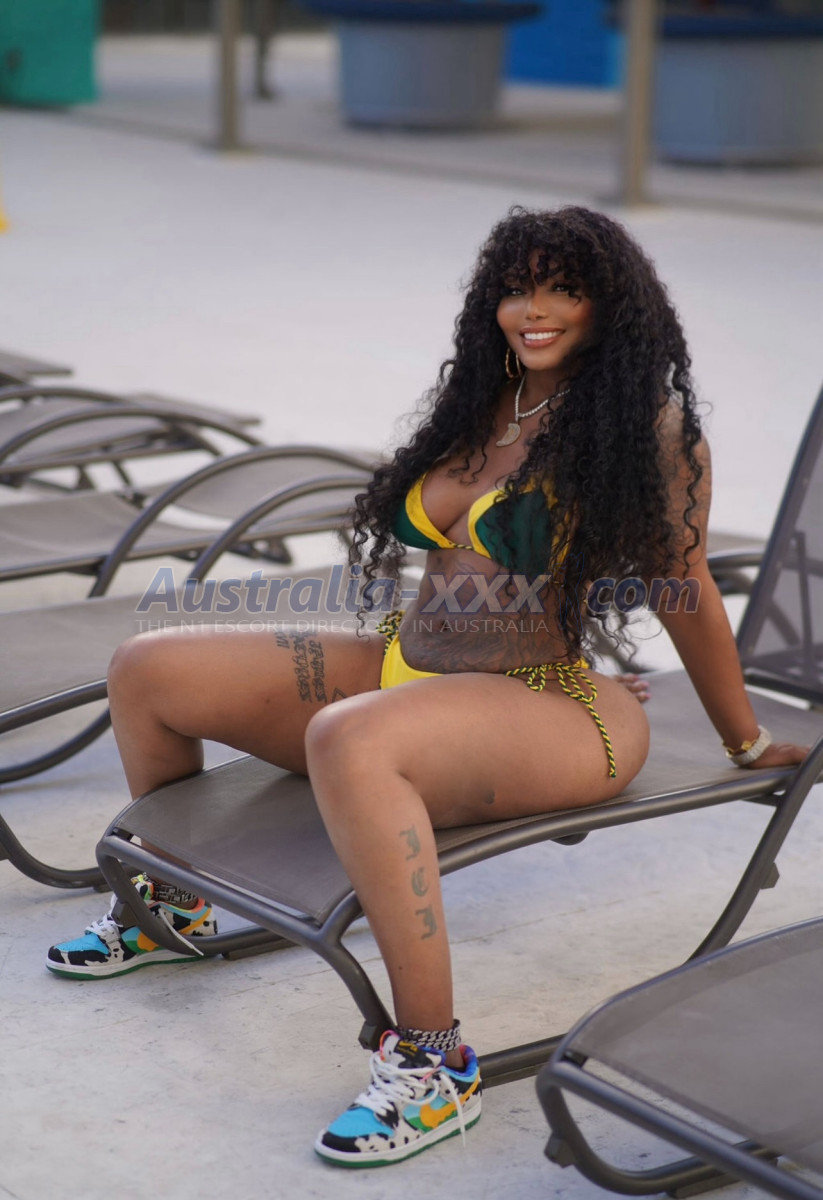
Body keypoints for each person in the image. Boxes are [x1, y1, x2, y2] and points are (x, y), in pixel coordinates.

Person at [46, 205, 808, 1167]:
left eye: (562, 289)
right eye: (515, 289)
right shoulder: (484, 399)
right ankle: (169, 906)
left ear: (610, 305)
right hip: (411, 665)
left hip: (546, 701)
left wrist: (743, 739)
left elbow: (682, 584)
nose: (532, 311)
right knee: (149, 667)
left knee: (352, 736)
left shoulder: (644, 427)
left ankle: (432, 1063)